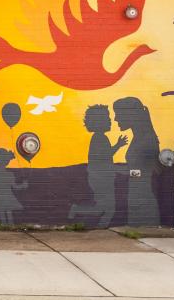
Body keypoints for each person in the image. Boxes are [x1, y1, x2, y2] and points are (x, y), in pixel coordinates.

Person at [69, 105, 128, 227]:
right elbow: (101, 162)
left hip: (100, 177)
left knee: (103, 208)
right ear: (100, 121)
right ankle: (81, 212)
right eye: (107, 118)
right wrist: (119, 169)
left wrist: (118, 145)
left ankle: (85, 216)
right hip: (101, 179)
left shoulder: (100, 138)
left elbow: (105, 156)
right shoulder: (99, 138)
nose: (110, 121)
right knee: (108, 209)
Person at [113, 96, 162, 226]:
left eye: (118, 114)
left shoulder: (146, 139)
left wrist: (114, 169)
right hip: (137, 201)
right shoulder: (140, 137)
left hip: (144, 204)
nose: (115, 119)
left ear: (130, 114)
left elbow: (140, 173)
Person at [0, 147, 27, 224]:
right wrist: (22, 185)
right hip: (7, 197)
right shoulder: (9, 174)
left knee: (3, 212)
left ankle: (6, 225)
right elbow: (15, 187)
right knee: (7, 212)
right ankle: (9, 225)